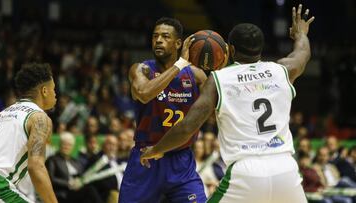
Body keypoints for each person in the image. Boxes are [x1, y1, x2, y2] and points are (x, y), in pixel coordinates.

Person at [141, 4, 314, 203]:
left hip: (246, 172)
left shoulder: (219, 79)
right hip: (285, 167)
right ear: (261, 48)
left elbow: (187, 127)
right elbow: (303, 53)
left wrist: (156, 149)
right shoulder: (282, 70)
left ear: (230, 49)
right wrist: (300, 34)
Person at [119, 17, 218, 203]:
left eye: (165, 36)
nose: (158, 40)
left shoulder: (196, 75)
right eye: (155, 36)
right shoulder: (141, 69)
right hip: (146, 158)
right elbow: (144, 93)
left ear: (178, 43)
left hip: (181, 161)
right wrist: (178, 65)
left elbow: (213, 113)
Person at [0, 63, 58, 203]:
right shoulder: (39, 118)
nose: (55, 94)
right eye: (53, 89)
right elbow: (36, 166)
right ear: (44, 91)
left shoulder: (1, 115)